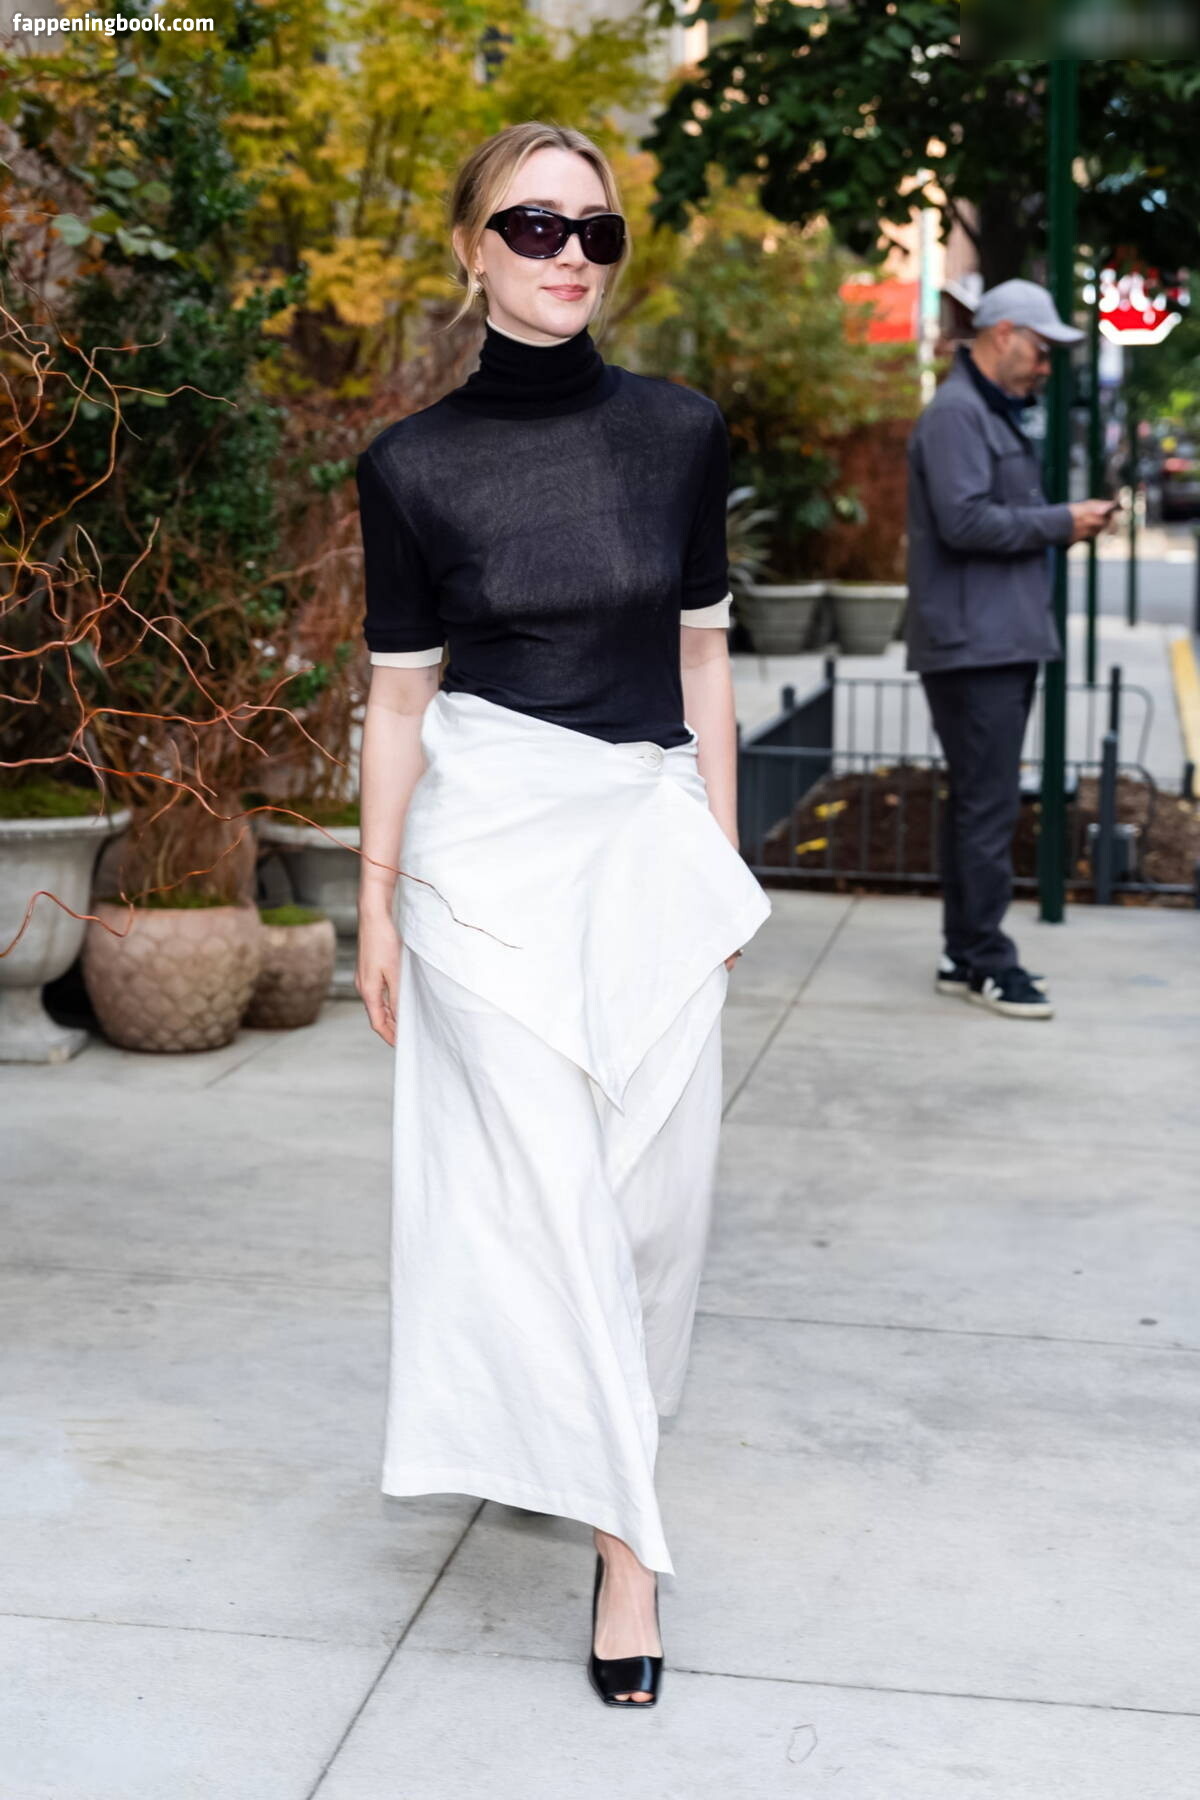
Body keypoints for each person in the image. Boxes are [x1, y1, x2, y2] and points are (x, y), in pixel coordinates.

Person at [353, 121, 770, 1708]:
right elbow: (400, 703)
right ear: (470, 249)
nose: (570, 254)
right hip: (485, 865)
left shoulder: (680, 432)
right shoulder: (409, 465)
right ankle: (628, 1556)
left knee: (654, 1207)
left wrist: (721, 861)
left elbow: (705, 660)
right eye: (533, 226)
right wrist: (377, 907)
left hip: (647, 845)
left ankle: (592, 1452)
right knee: (549, 1208)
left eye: (597, 229)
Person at [905, 278, 1115, 1020]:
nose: (1047, 366)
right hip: (976, 645)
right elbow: (964, 522)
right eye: (1041, 349)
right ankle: (987, 962)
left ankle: (964, 954)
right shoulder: (959, 414)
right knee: (987, 808)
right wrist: (1062, 521)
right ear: (1003, 336)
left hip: (988, 639)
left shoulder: (980, 410)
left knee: (977, 803)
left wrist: (1059, 522)